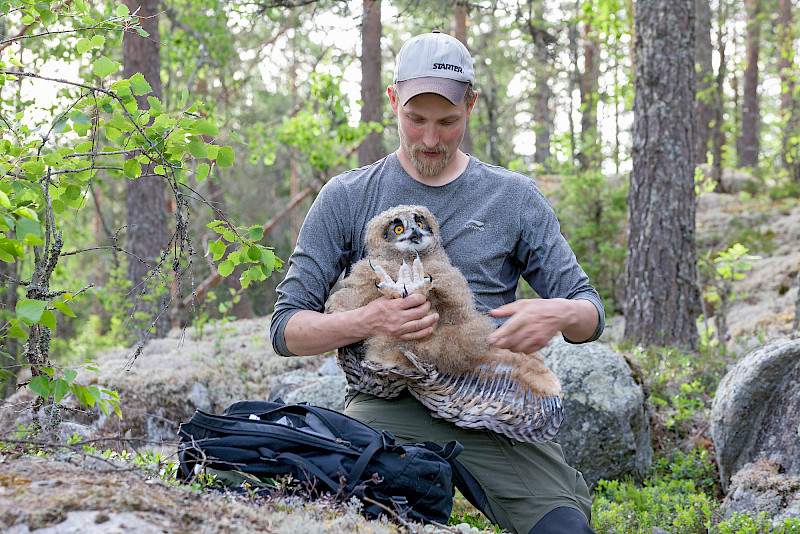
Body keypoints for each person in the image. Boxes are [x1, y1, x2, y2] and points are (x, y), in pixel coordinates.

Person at [270, 30, 604, 534]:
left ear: (471, 104)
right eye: (415, 119)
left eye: (448, 121)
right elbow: (285, 329)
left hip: (493, 401)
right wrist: (369, 319)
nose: (430, 139)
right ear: (393, 101)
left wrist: (557, 313)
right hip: (388, 405)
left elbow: (589, 312)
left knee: (565, 529)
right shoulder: (346, 197)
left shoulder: (512, 197)